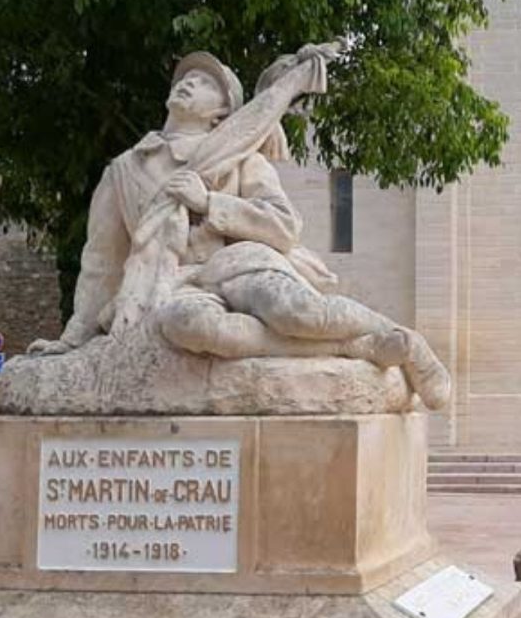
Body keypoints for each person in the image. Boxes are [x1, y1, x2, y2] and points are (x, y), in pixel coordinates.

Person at [26, 45, 449, 409]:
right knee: (189, 326)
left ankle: (406, 342)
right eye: (185, 77)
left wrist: (210, 202)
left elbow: (284, 227)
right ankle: (351, 346)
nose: (188, 83)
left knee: (296, 311)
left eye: (205, 83)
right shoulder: (122, 171)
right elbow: (101, 262)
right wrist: (74, 335)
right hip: (176, 283)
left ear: (221, 114)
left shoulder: (242, 159)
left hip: (240, 263)